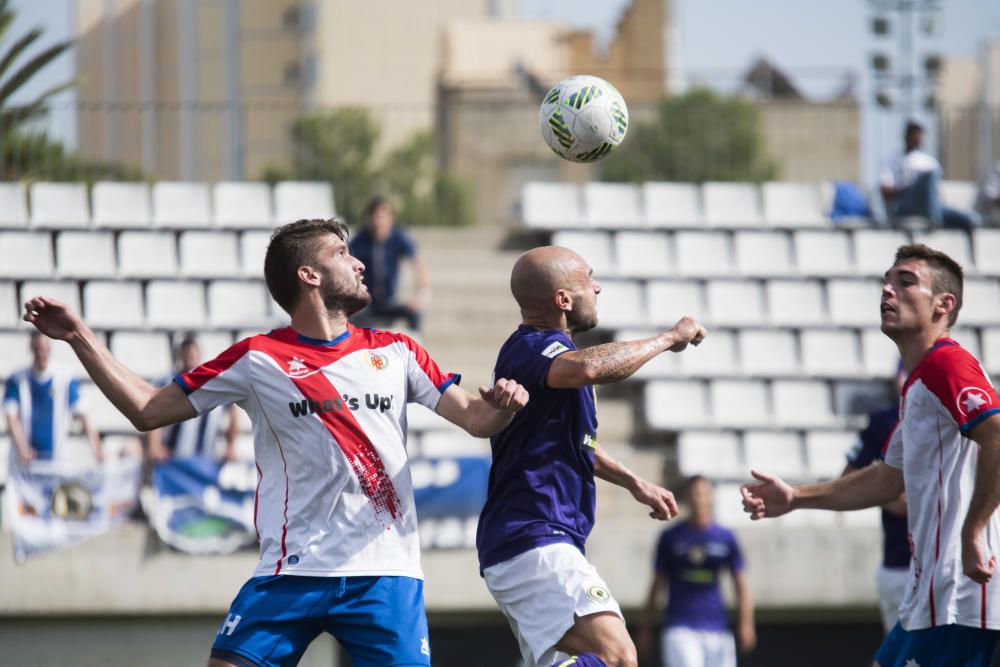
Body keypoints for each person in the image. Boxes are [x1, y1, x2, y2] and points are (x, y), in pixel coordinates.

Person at [22, 217, 529, 667]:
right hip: (293, 571)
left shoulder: (397, 351)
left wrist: (502, 405)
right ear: (308, 275)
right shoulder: (257, 358)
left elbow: (476, 419)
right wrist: (79, 337)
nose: (359, 264)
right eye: (341, 253)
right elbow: (147, 409)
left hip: (385, 574)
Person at [741, 243, 1000, 667]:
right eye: (886, 280)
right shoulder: (919, 384)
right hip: (926, 593)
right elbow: (886, 478)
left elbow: (997, 436)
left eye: (905, 282)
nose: (887, 290)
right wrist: (796, 497)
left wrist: (975, 531)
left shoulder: (947, 365)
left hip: (959, 594)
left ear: (943, 305)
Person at [476, 245, 707, 667]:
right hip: (535, 535)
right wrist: (669, 338)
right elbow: (588, 368)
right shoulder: (532, 348)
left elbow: (578, 443)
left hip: (532, 539)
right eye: (588, 279)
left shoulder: (544, 357)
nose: (597, 287)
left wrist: (634, 482)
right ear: (563, 300)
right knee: (616, 656)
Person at [638, 475, 755, 667]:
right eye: (694, 493)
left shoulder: (726, 538)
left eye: (703, 493)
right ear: (686, 497)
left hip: (718, 628)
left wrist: (746, 624)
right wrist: (645, 628)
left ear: (711, 497)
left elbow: (740, 585)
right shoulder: (670, 537)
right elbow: (657, 584)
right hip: (680, 628)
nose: (699, 498)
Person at [841, 362, 909, 634]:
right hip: (900, 562)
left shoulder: (956, 415)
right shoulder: (885, 421)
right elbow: (847, 476)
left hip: (949, 562)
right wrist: (888, 494)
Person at [3, 331, 102, 465]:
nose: (41, 353)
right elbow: (11, 417)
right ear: (31, 348)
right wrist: (23, 448)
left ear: (50, 349)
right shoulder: (16, 379)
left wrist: (97, 450)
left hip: (56, 462)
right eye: (38, 349)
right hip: (24, 465)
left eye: (45, 348)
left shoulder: (65, 377)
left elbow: (83, 415)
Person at [145, 335, 240, 463]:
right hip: (172, 459)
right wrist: (155, 446)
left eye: (193, 351)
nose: (190, 355)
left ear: (200, 353)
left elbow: (233, 413)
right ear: (180, 354)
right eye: (187, 351)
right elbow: (154, 413)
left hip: (205, 461)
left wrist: (231, 446)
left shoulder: (214, 381)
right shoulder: (166, 382)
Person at [879, 121, 981, 230]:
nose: (918, 139)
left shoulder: (929, 161)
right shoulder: (891, 160)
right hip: (905, 206)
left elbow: (938, 193)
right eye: (914, 135)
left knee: (972, 219)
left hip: (931, 206)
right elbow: (886, 192)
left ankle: (935, 219)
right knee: (929, 175)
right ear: (906, 136)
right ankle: (934, 222)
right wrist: (914, 188)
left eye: (920, 136)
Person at [349, 195, 430, 332]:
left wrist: (421, 294)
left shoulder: (398, 237)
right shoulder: (360, 240)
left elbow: (417, 262)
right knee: (345, 318)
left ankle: (415, 350)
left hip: (390, 302)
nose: (379, 222)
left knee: (416, 314)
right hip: (367, 303)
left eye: (383, 217)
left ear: (390, 219)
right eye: (375, 217)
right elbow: (347, 264)